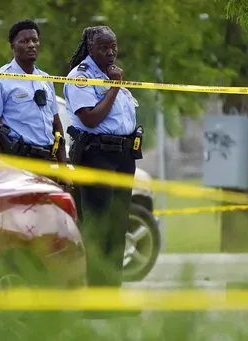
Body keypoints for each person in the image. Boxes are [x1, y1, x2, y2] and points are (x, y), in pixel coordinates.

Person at [64, 26, 143, 289]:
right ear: (90, 47)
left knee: (118, 227)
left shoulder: (112, 74)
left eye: (113, 47)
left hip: (123, 156)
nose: (110, 53)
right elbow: (90, 117)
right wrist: (113, 88)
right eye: (103, 47)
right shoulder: (82, 77)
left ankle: (112, 295)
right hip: (97, 155)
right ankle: (96, 296)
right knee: (98, 228)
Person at [0, 19, 67, 166]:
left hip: (47, 160)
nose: (31, 45)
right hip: (18, 162)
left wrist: (63, 168)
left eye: (35, 40)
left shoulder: (45, 79)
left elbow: (57, 125)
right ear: (13, 46)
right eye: (24, 41)